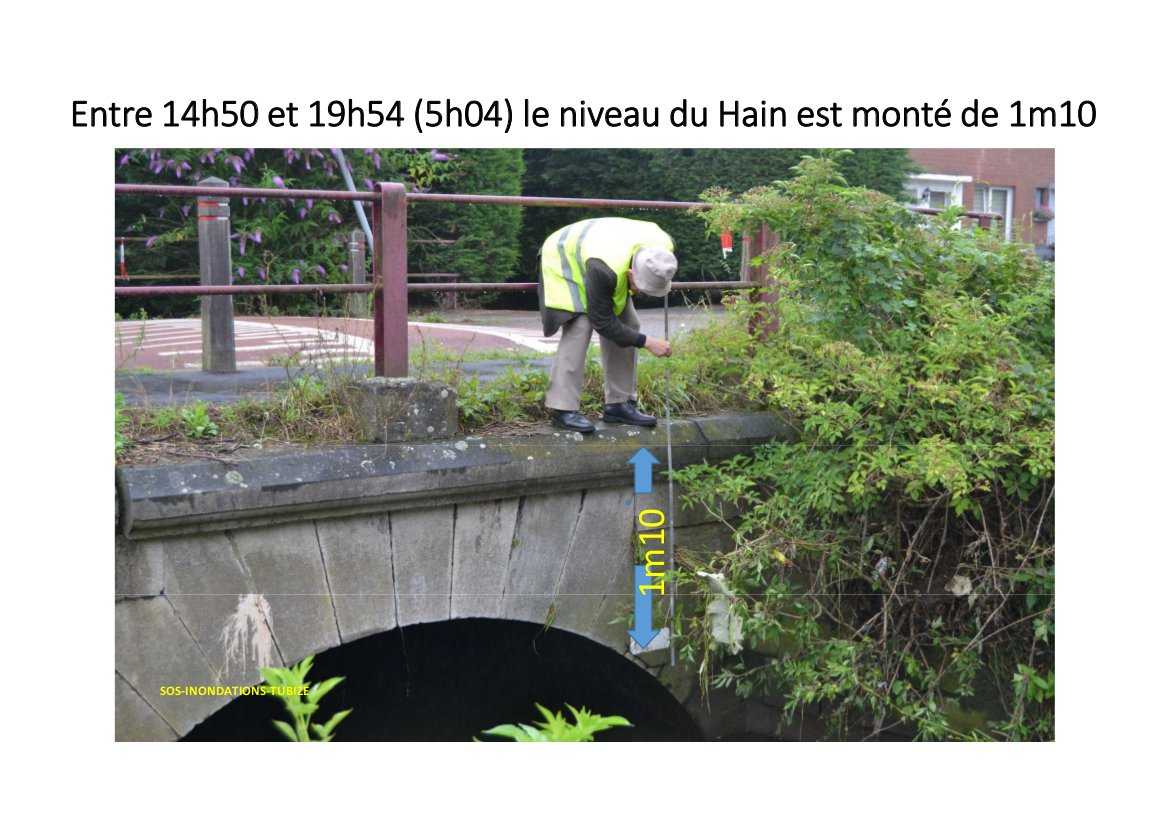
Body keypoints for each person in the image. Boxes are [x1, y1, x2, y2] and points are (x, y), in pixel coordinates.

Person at [537, 216, 676, 433]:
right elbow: (602, 322)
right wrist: (648, 342)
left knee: (629, 322)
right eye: (642, 288)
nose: (643, 294)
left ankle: (619, 404)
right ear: (631, 273)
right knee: (580, 328)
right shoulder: (603, 268)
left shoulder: (664, 249)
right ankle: (563, 409)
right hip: (565, 256)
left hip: (602, 254)